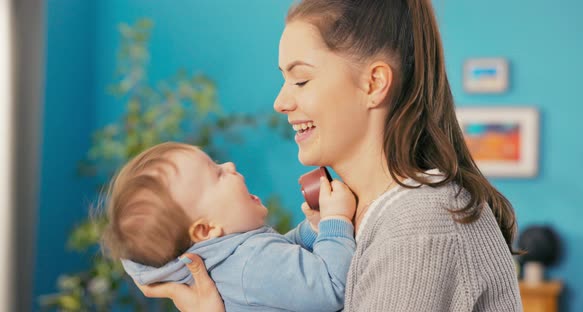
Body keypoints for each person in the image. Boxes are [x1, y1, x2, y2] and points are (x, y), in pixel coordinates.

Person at [137, 0, 524, 311]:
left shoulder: (420, 224)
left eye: (301, 79)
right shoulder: (359, 217)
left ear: (373, 83)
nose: (281, 102)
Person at [101, 142, 357, 311]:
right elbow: (332, 287)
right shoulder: (250, 264)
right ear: (205, 230)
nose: (230, 166)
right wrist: (336, 220)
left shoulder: (235, 260)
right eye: (217, 174)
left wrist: (313, 230)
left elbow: (288, 259)